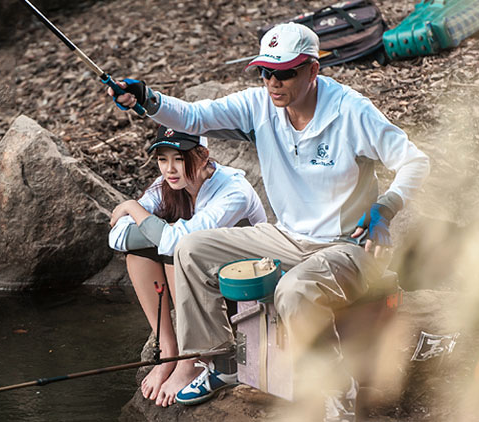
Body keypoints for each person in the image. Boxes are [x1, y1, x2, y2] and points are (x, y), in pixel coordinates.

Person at [109, 22, 430, 420]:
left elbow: (415, 161)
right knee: (191, 248)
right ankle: (220, 364)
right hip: (286, 236)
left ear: (313, 70)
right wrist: (147, 99)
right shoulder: (260, 105)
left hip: (347, 245)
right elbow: (193, 117)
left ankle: (336, 391)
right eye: (266, 72)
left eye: (285, 72)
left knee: (293, 292)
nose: (273, 82)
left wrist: (386, 207)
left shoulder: (351, 111)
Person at [108, 125, 266, 407]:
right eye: (162, 158)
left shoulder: (233, 192)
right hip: (201, 285)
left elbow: (179, 242)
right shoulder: (166, 185)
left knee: (179, 250)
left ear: (203, 155)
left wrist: (133, 207)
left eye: (179, 159)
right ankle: (170, 349)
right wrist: (157, 227)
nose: (170, 169)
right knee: (139, 255)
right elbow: (117, 237)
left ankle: (191, 360)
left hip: (242, 293)